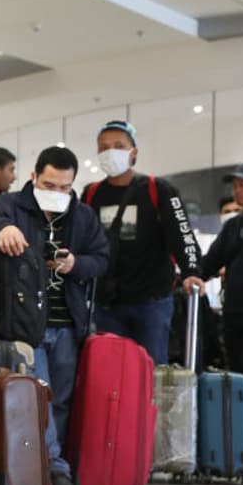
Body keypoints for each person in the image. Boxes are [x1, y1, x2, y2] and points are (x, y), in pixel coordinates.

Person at [0, 147, 109, 485]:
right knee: (40, 394)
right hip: (26, 321)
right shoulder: (11, 207)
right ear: (34, 176)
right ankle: (52, 467)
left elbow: (101, 258)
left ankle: (52, 462)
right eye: (49, 185)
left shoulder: (81, 216)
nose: (56, 193)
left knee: (61, 399)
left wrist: (75, 264)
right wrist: (3, 228)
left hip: (68, 321)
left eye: (64, 187)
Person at [82, 120, 203, 365]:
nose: (110, 152)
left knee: (151, 368)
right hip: (107, 303)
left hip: (151, 300)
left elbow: (182, 234)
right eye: (103, 147)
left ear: (133, 152)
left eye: (118, 146)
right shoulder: (91, 193)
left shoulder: (158, 189)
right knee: (112, 371)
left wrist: (191, 271)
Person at [201, 164, 243, 376]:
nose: (237, 190)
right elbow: (210, 262)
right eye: (234, 186)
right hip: (233, 313)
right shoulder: (233, 227)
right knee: (237, 373)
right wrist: (188, 274)